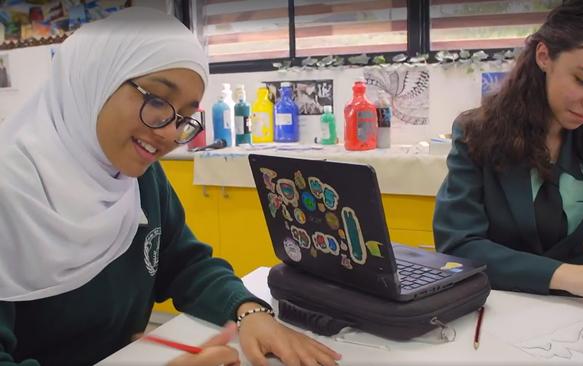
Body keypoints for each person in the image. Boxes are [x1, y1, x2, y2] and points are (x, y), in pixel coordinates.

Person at [0, 8, 340, 366]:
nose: (167, 133)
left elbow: (184, 264)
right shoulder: (13, 192)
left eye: (183, 117)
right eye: (158, 101)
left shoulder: (136, 177)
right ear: (92, 80)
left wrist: (248, 311)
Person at [434, 0, 583, 307]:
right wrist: (568, 276)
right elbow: (458, 246)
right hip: (496, 311)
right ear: (544, 56)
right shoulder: (477, 133)